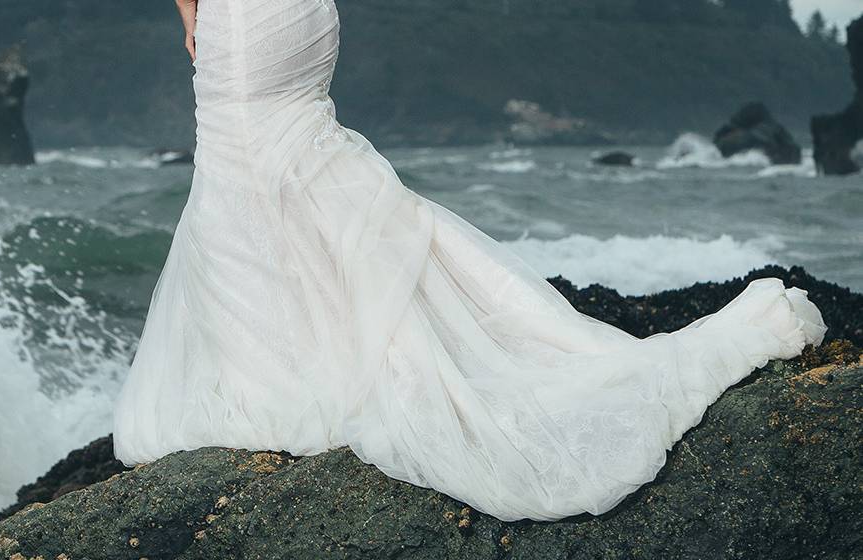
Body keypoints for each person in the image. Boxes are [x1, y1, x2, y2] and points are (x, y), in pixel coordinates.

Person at [112, 0, 827, 522]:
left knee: (244, 172)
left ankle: (278, 370)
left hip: (246, 20)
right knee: (287, 164)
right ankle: (307, 354)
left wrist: (188, 13)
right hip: (302, 16)